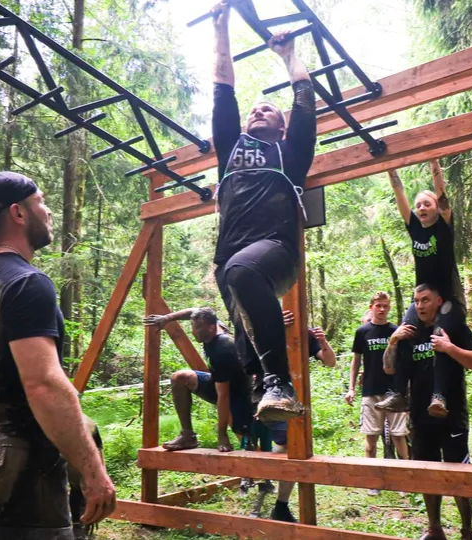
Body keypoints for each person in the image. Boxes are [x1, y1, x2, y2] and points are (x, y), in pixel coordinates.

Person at [0, 172, 115, 538]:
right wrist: (93, 472)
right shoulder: (27, 282)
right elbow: (43, 384)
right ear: (19, 213)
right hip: (22, 474)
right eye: (41, 201)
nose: (48, 211)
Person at [210, 1, 316, 423]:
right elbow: (222, 88)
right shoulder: (230, 150)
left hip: (276, 250)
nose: (258, 109)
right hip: (229, 256)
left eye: (268, 109)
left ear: (282, 126)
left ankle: (281, 383)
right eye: (255, 109)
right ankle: (264, 389)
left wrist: (288, 56)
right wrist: (221, 25)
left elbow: (305, 100)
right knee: (243, 330)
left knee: (243, 271)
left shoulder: (291, 153)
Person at [384, 284, 472, 540]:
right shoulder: (409, 333)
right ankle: (434, 528)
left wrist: (450, 348)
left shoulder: (454, 328)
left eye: (426, 300)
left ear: (439, 301)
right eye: (416, 301)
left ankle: (467, 530)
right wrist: (393, 339)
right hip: (420, 415)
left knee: (459, 474)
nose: (420, 306)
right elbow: (389, 369)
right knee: (427, 472)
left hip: (452, 415)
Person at [378, 162, 463, 415]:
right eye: (419, 206)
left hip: (447, 297)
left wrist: (434, 163)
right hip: (423, 298)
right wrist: (391, 169)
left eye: (427, 203)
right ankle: (398, 393)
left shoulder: (444, 227)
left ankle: (439, 397)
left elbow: (443, 195)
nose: (422, 208)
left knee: (438, 336)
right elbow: (399, 195)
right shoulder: (414, 228)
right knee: (404, 332)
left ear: (437, 208)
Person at [250, 309, 335, 522]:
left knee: (290, 446)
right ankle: (270, 498)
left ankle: (279, 505)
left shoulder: (305, 336)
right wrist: (273, 324)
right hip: (262, 397)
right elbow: (248, 347)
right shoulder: (267, 328)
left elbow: (329, 361)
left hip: (289, 403)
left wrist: (323, 341)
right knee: (276, 446)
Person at [143, 307, 252, 453]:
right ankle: (187, 435)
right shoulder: (211, 322)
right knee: (180, 378)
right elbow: (193, 311)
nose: (193, 332)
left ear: (211, 327)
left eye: (196, 328)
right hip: (218, 383)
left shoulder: (223, 349)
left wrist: (222, 435)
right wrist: (167, 318)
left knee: (248, 435)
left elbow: (223, 395)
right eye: (192, 327)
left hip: (240, 394)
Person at [345, 291, 409, 496]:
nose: (382, 309)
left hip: (394, 393)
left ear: (389, 308)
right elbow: (356, 361)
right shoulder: (362, 332)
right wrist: (351, 387)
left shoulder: (396, 331)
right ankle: (373, 481)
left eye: (385, 306)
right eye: (378, 305)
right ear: (371, 306)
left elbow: (404, 362)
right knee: (371, 440)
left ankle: (404, 482)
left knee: (400, 437)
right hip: (371, 391)